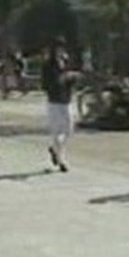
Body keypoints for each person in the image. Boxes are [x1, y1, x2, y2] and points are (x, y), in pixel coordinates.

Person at [42, 37, 79, 172]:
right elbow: (45, 84)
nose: (61, 51)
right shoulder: (48, 65)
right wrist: (59, 81)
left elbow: (71, 78)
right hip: (54, 101)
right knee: (56, 131)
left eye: (62, 49)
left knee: (69, 129)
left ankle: (54, 149)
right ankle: (61, 160)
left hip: (66, 99)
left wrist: (72, 78)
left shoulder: (66, 62)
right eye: (58, 49)